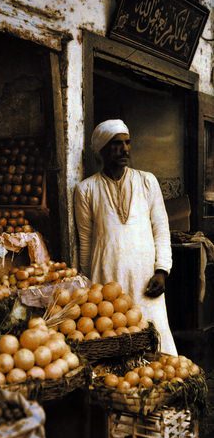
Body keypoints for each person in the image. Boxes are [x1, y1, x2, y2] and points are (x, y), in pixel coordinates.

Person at [74, 119, 177, 355]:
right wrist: (89, 284)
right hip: (107, 276)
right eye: (116, 144)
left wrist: (162, 270)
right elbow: (85, 239)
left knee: (154, 337)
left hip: (145, 277)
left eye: (127, 143)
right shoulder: (86, 189)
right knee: (113, 337)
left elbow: (161, 229)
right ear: (101, 150)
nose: (125, 149)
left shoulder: (147, 181)